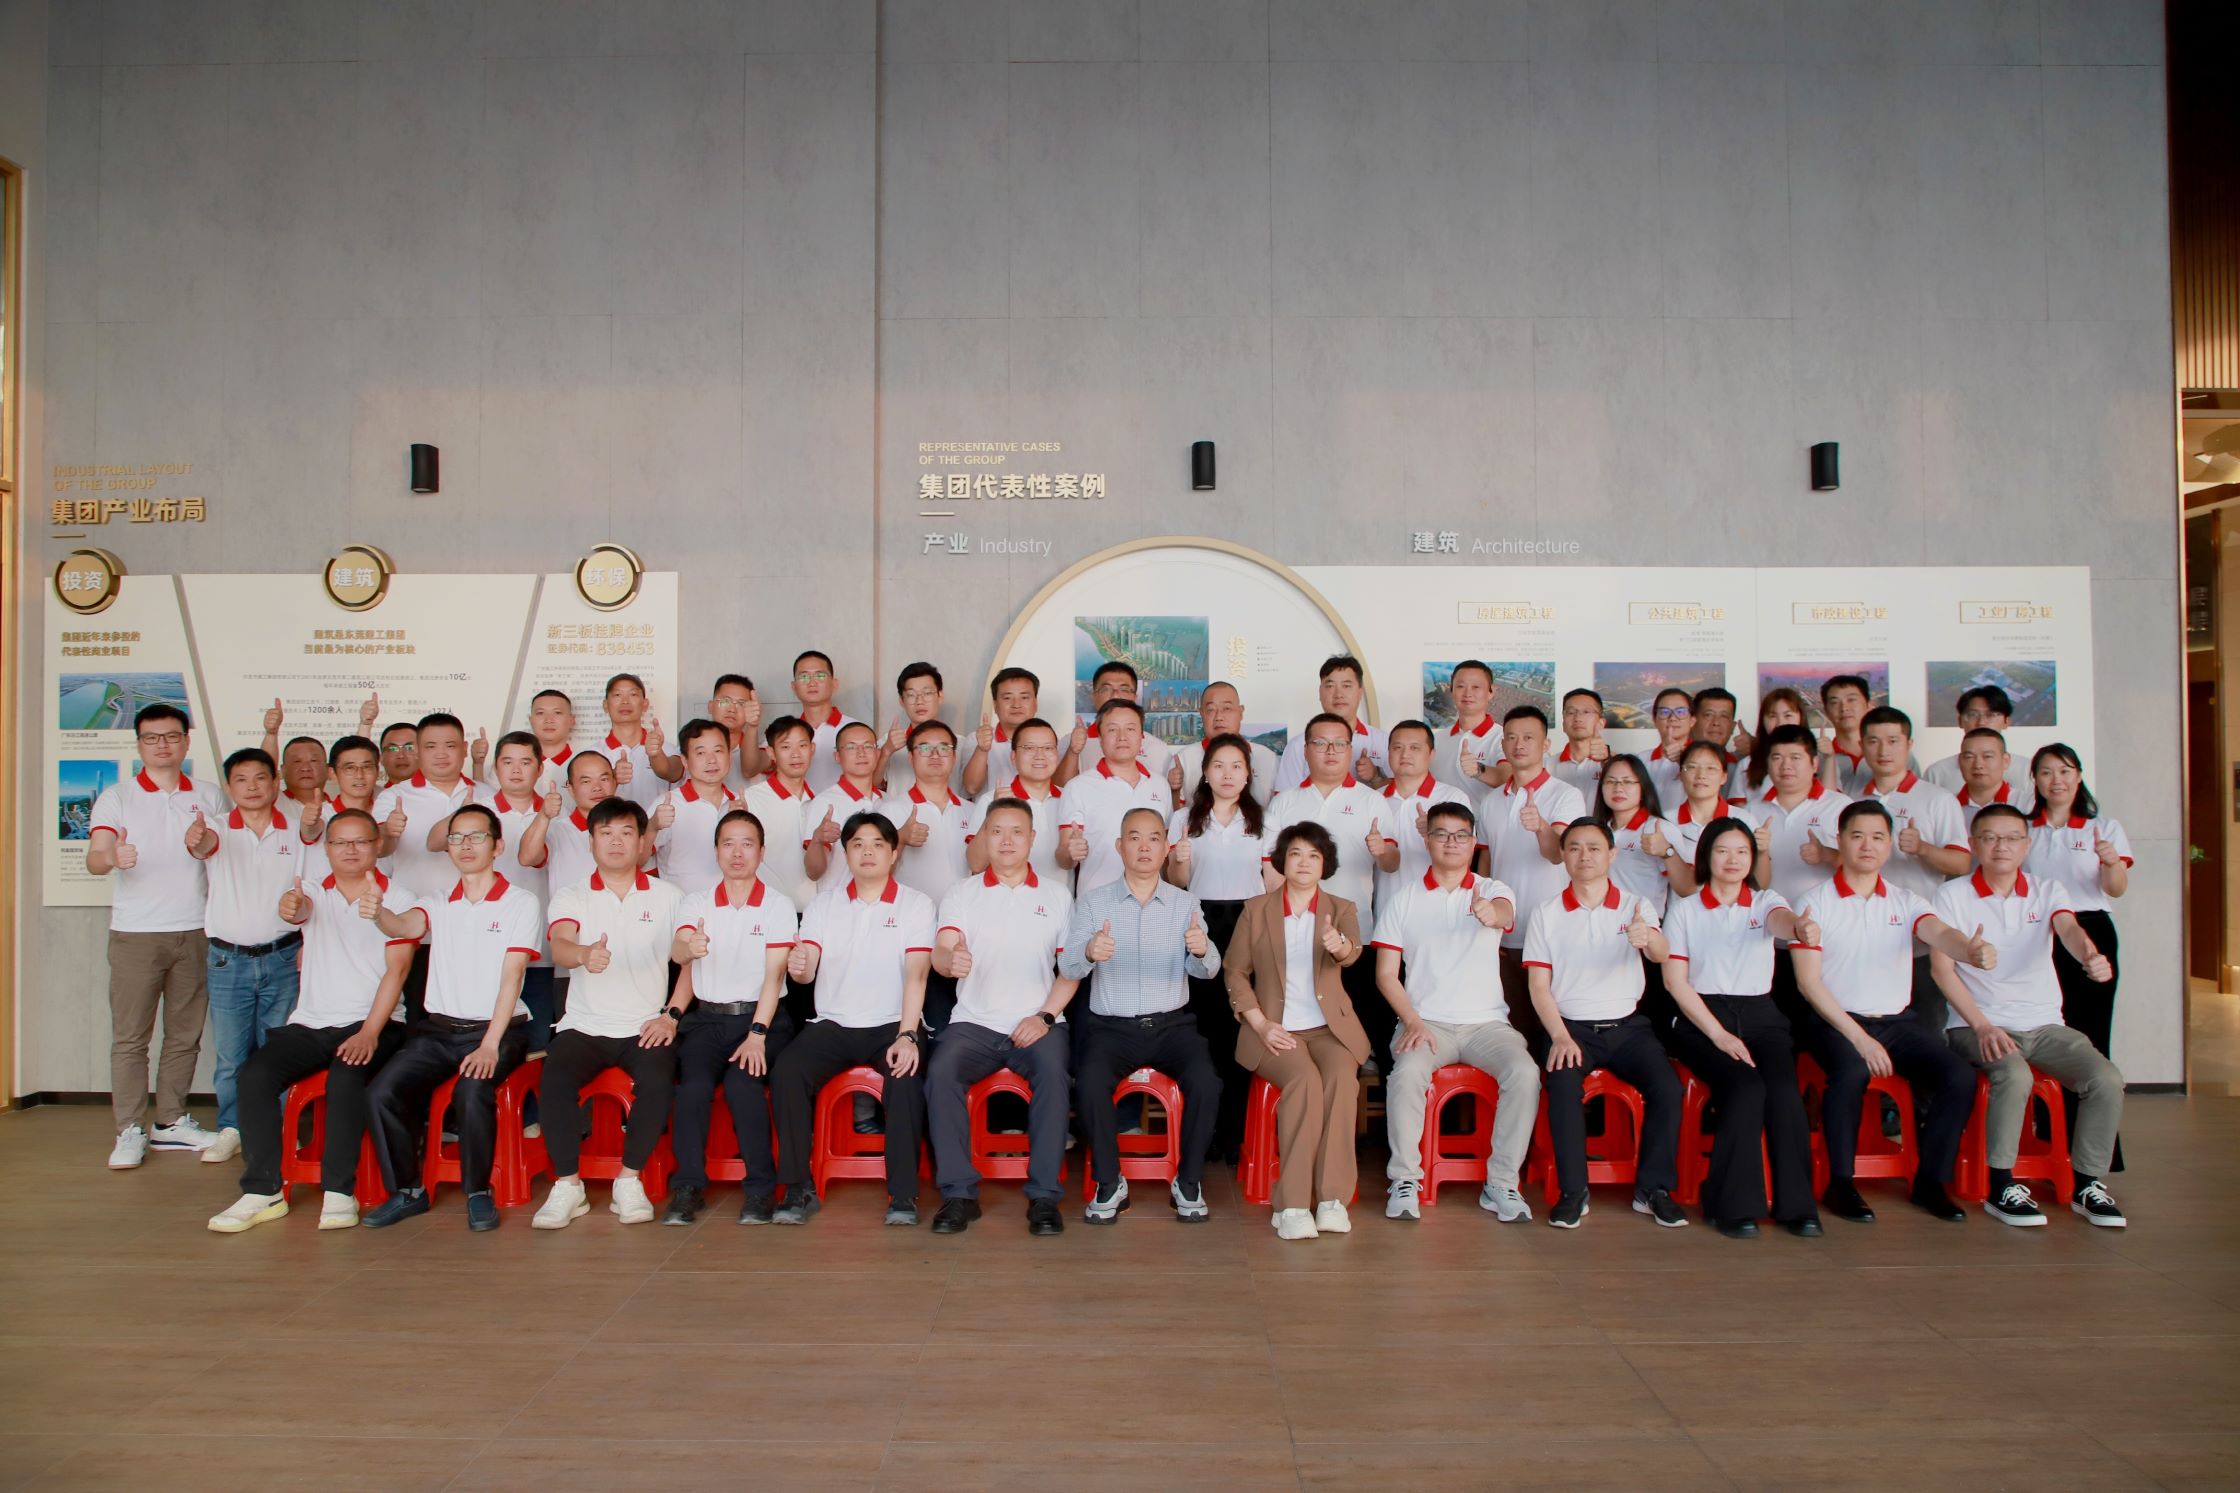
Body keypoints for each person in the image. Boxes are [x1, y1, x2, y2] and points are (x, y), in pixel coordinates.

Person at [207, 809, 417, 1233]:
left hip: (376, 1022)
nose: (350, 850)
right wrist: (292, 907)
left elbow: (397, 972)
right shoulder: (313, 892)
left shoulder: (400, 898)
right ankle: (263, 1190)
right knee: (254, 1075)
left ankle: (339, 1190)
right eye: (340, 842)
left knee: (345, 1076)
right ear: (327, 849)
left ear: (378, 845)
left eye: (360, 841)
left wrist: (369, 1032)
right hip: (311, 1023)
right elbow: (297, 910)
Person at [1787, 801, 1988, 1225]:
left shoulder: (1906, 900)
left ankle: (1931, 1182)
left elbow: (1939, 932)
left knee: (1958, 1076)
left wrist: (1968, 950)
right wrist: (1860, 1039)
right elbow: (1808, 984)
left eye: (1878, 837)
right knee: (1851, 1072)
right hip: (1833, 1021)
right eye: (1857, 836)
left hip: (1896, 1022)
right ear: (1840, 841)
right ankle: (1840, 1182)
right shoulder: (1813, 903)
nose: (1868, 845)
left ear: (1890, 844)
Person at [1934, 804, 2128, 1228]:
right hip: (1975, 1024)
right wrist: (1982, 1025)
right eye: (1990, 838)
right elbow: (1941, 970)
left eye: (2011, 838)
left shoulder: (2047, 889)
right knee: (2014, 1074)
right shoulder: (1953, 895)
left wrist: (2089, 955)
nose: (2001, 846)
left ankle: (2087, 1184)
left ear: (2026, 845)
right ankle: (2000, 1185)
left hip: (2044, 1024)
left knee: (2105, 1078)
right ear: (1974, 844)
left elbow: (2069, 929)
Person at [359, 804, 540, 1231]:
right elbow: (404, 926)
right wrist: (378, 913)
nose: (465, 845)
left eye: (476, 836)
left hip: (499, 1031)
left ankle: (478, 1193)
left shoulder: (520, 902)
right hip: (438, 1032)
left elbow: (513, 976)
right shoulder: (438, 902)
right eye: (456, 838)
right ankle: (408, 1191)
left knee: (472, 1090)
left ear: (497, 846)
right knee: (381, 1091)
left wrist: (490, 1045)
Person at [1370, 801, 1536, 1222]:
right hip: (1427, 1023)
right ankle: (1405, 1178)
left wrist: (1489, 913)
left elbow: (1504, 913)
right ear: (1427, 840)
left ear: (1474, 841)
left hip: (1487, 1024)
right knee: (1406, 1073)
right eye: (1441, 834)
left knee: (1525, 1073)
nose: (1451, 842)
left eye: (1461, 835)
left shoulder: (1493, 888)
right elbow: (1386, 974)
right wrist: (1412, 1021)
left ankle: (1502, 1182)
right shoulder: (1404, 899)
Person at [1057, 807, 1223, 1223]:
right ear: (1119, 846)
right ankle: (1110, 1182)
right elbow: (1069, 968)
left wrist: (1201, 949)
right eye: (1134, 837)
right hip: (1111, 1028)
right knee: (1089, 1083)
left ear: (1167, 848)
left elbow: (1208, 970)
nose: (1144, 847)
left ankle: (1188, 1181)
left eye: (1153, 838)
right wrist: (1088, 952)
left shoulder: (1185, 903)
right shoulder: (1093, 903)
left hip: (1172, 1026)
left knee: (1207, 1082)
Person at [1660, 818, 1823, 1238]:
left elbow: (1781, 920)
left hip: (1761, 1016)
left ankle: (1797, 1207)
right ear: (1706, 857)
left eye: (1741, 852)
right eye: (1722, 851)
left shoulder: (1765, 901)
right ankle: (1729, 1205)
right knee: (1746, 1089)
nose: (1732, 860)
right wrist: (1718, 1034)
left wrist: (1799, 928)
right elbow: (1676, 983)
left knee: (1784, 1094)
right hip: (1701, 1018)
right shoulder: (1685, 910)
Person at [770, 812, 934, 1226]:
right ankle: (797, 1186)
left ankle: (903, 1194)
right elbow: (806, 971)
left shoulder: (916, 904)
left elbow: (917, 974)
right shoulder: (824, 905)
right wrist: (798, 967)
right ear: (845, 853)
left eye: (878, 844)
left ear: (893, 853)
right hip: (834, 1023)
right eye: (857, 844)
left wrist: (908, 1035)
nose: (867, 852)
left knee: (905, 1076)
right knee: (787, 1071)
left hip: (892, 1023)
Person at [1521, 819, 1687, 1229]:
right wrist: (1559, 1036)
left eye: (1594, 848)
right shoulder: (1546, 912)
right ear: (1563, 855)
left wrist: (1648, 938)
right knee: (1562, 1086)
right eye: (1574, 848)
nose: (1584, 856)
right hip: (1571, 1028)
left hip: (1629, 1028)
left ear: (1612, 854)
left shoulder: (1635, 905)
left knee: (1667, 1087)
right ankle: (1573, 1192)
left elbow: (1661, 954)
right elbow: (1539, 986)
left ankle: (1653, 1190)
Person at [926, 798, 1079, 1236]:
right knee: (940, 1073)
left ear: (1033, 839)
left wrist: (1045, 1017)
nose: (1006, 841)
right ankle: (959, 1195)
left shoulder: (1057, 896)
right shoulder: (962, 892)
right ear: (983, 838)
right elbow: (942, 950)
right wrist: (949, 961)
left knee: (1053, 1074)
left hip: (1039, 1020)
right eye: (996, 831)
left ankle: (1044, 1197)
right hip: (974, 1022)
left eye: (1016, 832)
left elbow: (1070, 970)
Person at [533, 798, 685, 1229]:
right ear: (591, 842)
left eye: (626, 833)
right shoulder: (572, 894)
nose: (616, 842)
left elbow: (689, 960)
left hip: (645, 1023)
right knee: (555, 1078)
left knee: (659, 1079)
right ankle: (568, 1186)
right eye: (606, 833)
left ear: (642, 843)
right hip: (585, 1024)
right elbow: (561, 943)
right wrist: (583, 954)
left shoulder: (669, 897)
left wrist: (671, 1016)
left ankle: (629, 1180)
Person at [86, 703, 225, 1167]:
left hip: (196, 928)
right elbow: (95, 857)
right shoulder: (118, 797)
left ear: (186, 741)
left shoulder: (209, 795)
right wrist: (113, 857)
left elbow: (224, 853)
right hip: (136, 933)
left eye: (171, 736)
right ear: (139, 744)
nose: (162, 745)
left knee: (185, 1034)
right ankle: (128, 1129)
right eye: (152, 737)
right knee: (131, 1038)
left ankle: (170, 1122)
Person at [1223, 822, 1369, 1240]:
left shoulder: (1341, 908)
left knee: (1340, 1079)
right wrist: (1260, 1023)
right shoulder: (1257, 910)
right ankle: (1291, 1205)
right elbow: (1235, 971)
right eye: (1296, 854)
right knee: (1304, 1081)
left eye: (1314, 855)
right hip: (1275, 1029)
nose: (1304, 863)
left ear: (1325, 865)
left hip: (1330, 1030)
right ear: (1281, 861)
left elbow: (1351, 953)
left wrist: (1339, 946)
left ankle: (1332, 1200)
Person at [662, 809, 799, 1225]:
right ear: (716, 851)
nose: (737, 853)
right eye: (728, 844)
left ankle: (759, 1190)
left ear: (761, 851)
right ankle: (688, 1187)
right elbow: (680, 953)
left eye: (747, 844)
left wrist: (757, 1033)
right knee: (692, 1089)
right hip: (707, 1020)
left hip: (763, 1019)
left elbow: (775, 976)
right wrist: (689, 950)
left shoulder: (777, 905)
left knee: (743, 1085)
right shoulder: (696, 903)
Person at [189, 747, 307, 1165]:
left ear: (275, 782)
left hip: (283, 957)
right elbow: (203, 846)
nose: (252, 787)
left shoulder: (298, 831)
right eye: (241, 779)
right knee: (231, 1055)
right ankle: (233, 1128)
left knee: (278, 1051)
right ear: (229, 787)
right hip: (228, 961)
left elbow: (310, 892)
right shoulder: (216, 828)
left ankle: (278, 1130)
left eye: (260, 778)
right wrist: (196, 839)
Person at [1166, 733, 1276, 1161]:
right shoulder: (1184, 819)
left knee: (1243, 1024)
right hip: (1200, 925)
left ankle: (1236, 1133)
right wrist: (1178, 859)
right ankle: (1204, 1130)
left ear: (1248, 775)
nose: (1227, 774)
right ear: (1205, 773)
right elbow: (1177, 883)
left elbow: (1272, 886)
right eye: (1219, 766)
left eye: (1236, 766)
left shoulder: (1263, 821)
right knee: (1205, 1026)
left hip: (1250, 924)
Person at [2026, 743, 2132, 1170]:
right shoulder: (2024, 829)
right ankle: (2048, 1142)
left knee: (2091, 1039)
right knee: (2045, 1036)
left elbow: (2116, 888)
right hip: (2036, 935)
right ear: (2035, 780)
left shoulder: (2102, 828)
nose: (2057, 780)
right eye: (2047, 772)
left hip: (2090, 931)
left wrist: (2110, 862)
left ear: (2079, 776)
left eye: (2065, 771)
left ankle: (2095, 1156)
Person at [1269, 712, 1398, 1060]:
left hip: (1356, 930)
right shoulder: (1285, 802)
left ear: (1350, 749)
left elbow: (1392, 863)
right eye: (1320, 743)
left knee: (1364, 1027)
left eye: (1339, 743)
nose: (1330, 751)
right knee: (1304, 1025)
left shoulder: (1372, 801)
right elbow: (1270, 871)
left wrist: (1382, 851)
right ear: (1305, 750)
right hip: (1296, 934)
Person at [1852, 706, 1971, 1029]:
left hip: (1920, 941)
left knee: (1927, 1031)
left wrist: (1922, 849)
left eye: (1893, 741)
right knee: (1868, 1029)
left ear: (1909, 744)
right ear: (1861, 746)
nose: (1883, 750)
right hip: (1863, 939)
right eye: (1873, 741)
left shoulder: (1937, 799)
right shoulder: (1850, 800)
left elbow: (1962, 862)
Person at [1479, 706, 1588, 1039]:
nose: (1519, 744)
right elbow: (1485, 862)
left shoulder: (1566, 795)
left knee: (1553, 1030)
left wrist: (1540, 826)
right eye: (1511, 737)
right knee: (1513, 1029)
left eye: (1528, 737)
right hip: (1503, 931)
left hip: (1552, 932)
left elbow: (1558, 855)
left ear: (1546, 745)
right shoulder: (1490, 801)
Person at [375, 712, 479, 1022]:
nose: (441, 754)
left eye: (450, 745)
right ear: (418, 750)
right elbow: (380, 850)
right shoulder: (395, 796)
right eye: (431, 746)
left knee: (470, 1018)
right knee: (417, 1022)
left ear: (464, 749)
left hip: (473, 930)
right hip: (416, 933)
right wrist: (387, 832)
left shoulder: (485, 794)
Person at [472, 731, 558, 1049]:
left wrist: (546, 815)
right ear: (496, 767)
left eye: (525, 762)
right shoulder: (478, 812)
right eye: (508, 762)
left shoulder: (557, 812)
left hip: (540, 947)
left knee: (537, 1041)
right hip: (487, 944)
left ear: (540, 768)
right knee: (485, 1038)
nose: (516, 770)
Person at [883, 720, 973, 1027]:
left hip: (963, 935)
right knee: (922, 1019)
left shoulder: (972, 810)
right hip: (912, 934)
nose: (935, 755)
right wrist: (899, 837)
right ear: (910, 757)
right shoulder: (892, 810)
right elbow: (874, 875)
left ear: (954, 756)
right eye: (924, 748)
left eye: (943, 748)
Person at [1057, 699, 1173, 895]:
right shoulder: (1078, 787)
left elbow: (1166, 851)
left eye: (1130, 729)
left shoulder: (1160, 785)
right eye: (1112, 729)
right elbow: (1063, 859)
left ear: (1141, 736)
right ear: (1100, 738)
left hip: (1151, 902)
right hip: (1097, 901)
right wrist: (1070, 852)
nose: (1122, 737)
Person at [1373, 719, 1478, 924]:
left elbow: (1465, 858)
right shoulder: (1374, 799)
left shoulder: (1452, 797)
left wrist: (1434, 832)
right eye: (1397, 747)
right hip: (1387, 912)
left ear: (1431, 755)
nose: (1405, 754)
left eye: (1415, 748)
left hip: (1439, 915)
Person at [1754, 725, 1848, 906]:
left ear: (1814, 763)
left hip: (1825, 915)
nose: (1786, 765)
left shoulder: (1840, 806)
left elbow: (1863, 864)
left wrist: (1827, 855)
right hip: (1767, 915)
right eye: (1777, 758)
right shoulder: (1752, 810)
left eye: (1795, 757)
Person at [966, 717, 1066, 884]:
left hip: (1059, 898)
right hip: (1006, 898)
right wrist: (995, 812)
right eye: (1029, 748)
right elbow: (976, 864)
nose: (1039, 755)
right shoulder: (992, 799)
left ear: (1056, 754)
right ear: (1013, 756)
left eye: (1048, 748)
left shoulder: (1069, 797)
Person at [742, 715, 826, 911]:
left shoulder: (821, 802)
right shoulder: (751, 799)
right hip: (766, 910)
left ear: (812, 749)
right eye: (786, 747)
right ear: (771, 753)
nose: (796, 754)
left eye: (802, 746)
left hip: (812, 910)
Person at [1665, 740, 1767, 898]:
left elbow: (1761, 884)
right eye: (1692, 767)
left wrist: (1763, 852)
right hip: (1680, 911)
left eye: (1710, 768)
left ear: (1724, 777)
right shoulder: (1665, 822)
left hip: (1734, 911)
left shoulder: (1743, 820)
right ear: (1681, 774)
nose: (1701, 776)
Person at [652, 719, 742, 896]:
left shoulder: (741, 804)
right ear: (685, 761)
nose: (711, 760)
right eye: (701, 753)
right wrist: (652, 826)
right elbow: (638, 857)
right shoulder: (667, 804)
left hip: (731, 908)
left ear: (729, 756)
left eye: (718, 751)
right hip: (681, 907)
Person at [1276, 654, 1389, 787]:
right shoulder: (1298, 746)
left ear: (1360, 692)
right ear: (1320, 692)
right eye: (1330, 686)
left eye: (1346, 686)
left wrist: (1376, 776)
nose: (1338, 694)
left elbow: (1403, 790)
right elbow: (1285, 797)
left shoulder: (1383, 741)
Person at [1059, 659, 1176, 785]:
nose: (1115, 695)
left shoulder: (1158, 748)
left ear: (1134, 697)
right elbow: (1059, 789)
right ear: (1094, 697)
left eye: (1124, 689)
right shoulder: (1070, 742)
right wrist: (1073, 752)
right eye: (1106, 689)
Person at [1171, 681, 1281, 807]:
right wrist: (1174, 791)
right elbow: (1176, 814)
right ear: (1202, 713)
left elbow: (1280, 810)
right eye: (1211, 710)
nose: (1219, 717)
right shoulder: (1183, 759)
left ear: (1240, 712)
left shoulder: (1267, 758)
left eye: (1227, 708)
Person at [1589, 753, 1673, 914]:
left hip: (1643, 922)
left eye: (1627, 781)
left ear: (1643, 787)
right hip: (1600, 922)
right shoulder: (1597, 831)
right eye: (1611, 781)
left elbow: (1686, 888)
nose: (1618, 788)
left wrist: (1668, 852)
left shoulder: (1659, 828)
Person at [810, 721, 888, 894]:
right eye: (851, 747)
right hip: (838, 904)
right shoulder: (824, 803)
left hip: (882, 904)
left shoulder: (888, 802)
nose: (861, 753)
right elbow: (813, 872)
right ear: (837, 756)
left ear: (877, 753)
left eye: (867, 746)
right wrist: (817, 840)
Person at [1923, 685, 2033, 798]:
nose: (1981, 722)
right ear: (1960, 721)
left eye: (1991, 715)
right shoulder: (1937, 773)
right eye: (1972, 715)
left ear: (2006, 721)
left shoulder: (2028, 770)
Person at [600, 671, 680, 812]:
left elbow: (672, 773)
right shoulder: (593, 754)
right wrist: (611, 777)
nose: (625, 701)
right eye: (617, 695)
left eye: (633, 694)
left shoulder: (667, 749)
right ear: (606, 705)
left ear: (645, 704)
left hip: (659, 825)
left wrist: (656, 755)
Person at [961, 665, 1041, 800]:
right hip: (991, 812)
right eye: (1007, 698)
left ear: (1035, 703)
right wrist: (982, 749)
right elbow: (971, 788)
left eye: (1024, 697)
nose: (1016, 705)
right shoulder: (977, 739)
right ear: (995, 705)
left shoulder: (1048, 742)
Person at [788, 649, 861, 794]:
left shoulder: (856, 730)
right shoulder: (785, 732)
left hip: (843, 807)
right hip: (798, 807)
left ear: (834, 684)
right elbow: (753, 768)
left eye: (820, 675)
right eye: (804, 677)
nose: (812, 683)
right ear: (794, 687)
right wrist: (753, 726)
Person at [878, 661, 957, 794]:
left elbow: (971, 788)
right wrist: (886, 751)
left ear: (940, 696)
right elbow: (871, 785)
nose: (919, 701)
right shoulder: (888, 742)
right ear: (901, 701)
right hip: (899, 808)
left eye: (927, 693)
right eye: (911, 695)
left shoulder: (959, 743)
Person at [1430, 659, 1503, 791]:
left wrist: (1478, 770)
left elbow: (1509, 776)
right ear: (1451, 690)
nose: (1468, 693)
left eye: (1476, 687)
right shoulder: (1436, 740)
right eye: (1460, 686)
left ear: (1491, 692)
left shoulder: (1504, 738)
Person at [1737, 687, 1810, 801]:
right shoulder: (1747, 764)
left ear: (1801, 718)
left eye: (1788, 716)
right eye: (1772, 716)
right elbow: (1738, 807)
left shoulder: (1815, 759)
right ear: (1763, 721)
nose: (1780, 723)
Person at [1957, 726, 2033, 827]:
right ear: (1959, 761)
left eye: (1987, 756)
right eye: (1969, 757)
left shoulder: (2028, 804)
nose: (1978, 765)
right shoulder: (1947, 805)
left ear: (2005, 761)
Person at [707, 672, 768, 789]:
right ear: (710, 706)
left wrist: (752, 726)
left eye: (741, 704)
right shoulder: (691, 748)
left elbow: (749, 770)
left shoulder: (762, 751)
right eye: (725, 701)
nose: (732, 709)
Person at [1817, 675, 1876, 794]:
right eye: (1834, 702)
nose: (1844, 708)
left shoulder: (1891, 753)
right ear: (1826, 711)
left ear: (1869, 705)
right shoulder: (1815, 757)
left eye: (1851, 700)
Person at [1550, 687, 1611, 798]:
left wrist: (1608, 762)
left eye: (1586, 712)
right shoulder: (1546, 766)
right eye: (1571, 712)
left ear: (1601, 723)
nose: (1578, 718)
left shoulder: (1614, 763)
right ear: (1563, 724)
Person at [1642, 688, 1696, 807]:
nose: (1672, 718)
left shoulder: (1705, 757)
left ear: (1692, 720)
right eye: (1664, 712)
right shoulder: (1641, 759)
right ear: (1654, 720)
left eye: (1680, 712)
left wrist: (1684, 760)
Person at [524, 688, 578, 799]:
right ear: (531, 720)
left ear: (572, 720)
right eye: (540, 713)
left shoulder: (582, 764)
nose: (549, 720)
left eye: (557, 712)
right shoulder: (513, 764)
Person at [377, 719, 418, 789]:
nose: (401, 755)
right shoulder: (378, 795)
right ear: (381, 758)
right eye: (393, 749)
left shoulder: (437, 792)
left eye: (409, 747)